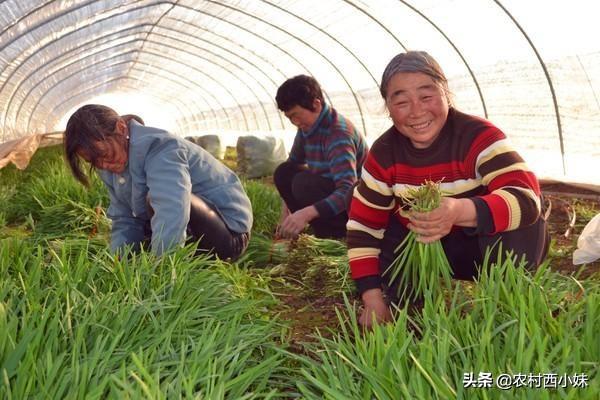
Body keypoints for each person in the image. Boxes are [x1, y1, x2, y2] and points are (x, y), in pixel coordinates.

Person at [346, 51, 550, 328]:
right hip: (427, 252)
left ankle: (509, 307)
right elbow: (363, 228)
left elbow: (526, 199)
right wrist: (373, 300)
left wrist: (457, 210)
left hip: (480, 249)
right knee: (384, 223)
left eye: (427, 97)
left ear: (446, 94)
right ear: (388, 108)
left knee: (524, 221)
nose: (417, 111)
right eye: (402, 101)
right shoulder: (383, 153)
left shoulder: (478, 136)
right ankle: (403, 298)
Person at [64, 104, 252, 259]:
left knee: (157, 202)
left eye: (104, 154)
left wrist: (161, 270)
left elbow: (172, 209)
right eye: (93, 161)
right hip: (188, 230)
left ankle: (174, 259)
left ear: (121, 128)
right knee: (138, 242)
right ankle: (175, 255)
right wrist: (119, 260)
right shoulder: (110, 166)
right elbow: (124, 217)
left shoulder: (162, 148)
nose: (103, 164)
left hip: (228, 235)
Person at [273, 75, 369, 239]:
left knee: (303, 184)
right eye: (290, 118)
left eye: (296, 115)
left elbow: (347, 191)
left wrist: (306, 214)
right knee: (284, 172)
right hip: (329, 190)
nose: (294, 122)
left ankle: (336, 234)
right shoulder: (307, 127)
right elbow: (292, 164)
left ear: (316, 104)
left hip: (358, 206)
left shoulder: (338, 134)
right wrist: (286, 215)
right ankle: (300, 227)